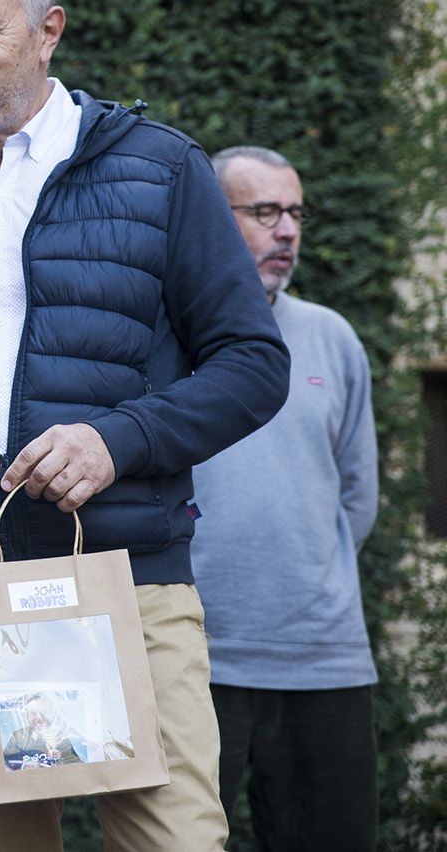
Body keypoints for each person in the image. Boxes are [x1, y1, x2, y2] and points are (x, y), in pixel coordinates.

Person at [0, 0, 290, 851]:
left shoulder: (161, 169)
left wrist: (118, 439)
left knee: (172, 842)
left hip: (127, 584)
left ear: (49, 30)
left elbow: (254, 365)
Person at [192, 146, 378, 849]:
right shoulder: (167, 336)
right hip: (198, 661)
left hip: (323, 659)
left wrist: (305, 580)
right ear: (213, 219)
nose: (288, 230)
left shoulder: (333, 338)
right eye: (264, 211)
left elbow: (356, 496)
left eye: (295, 212)